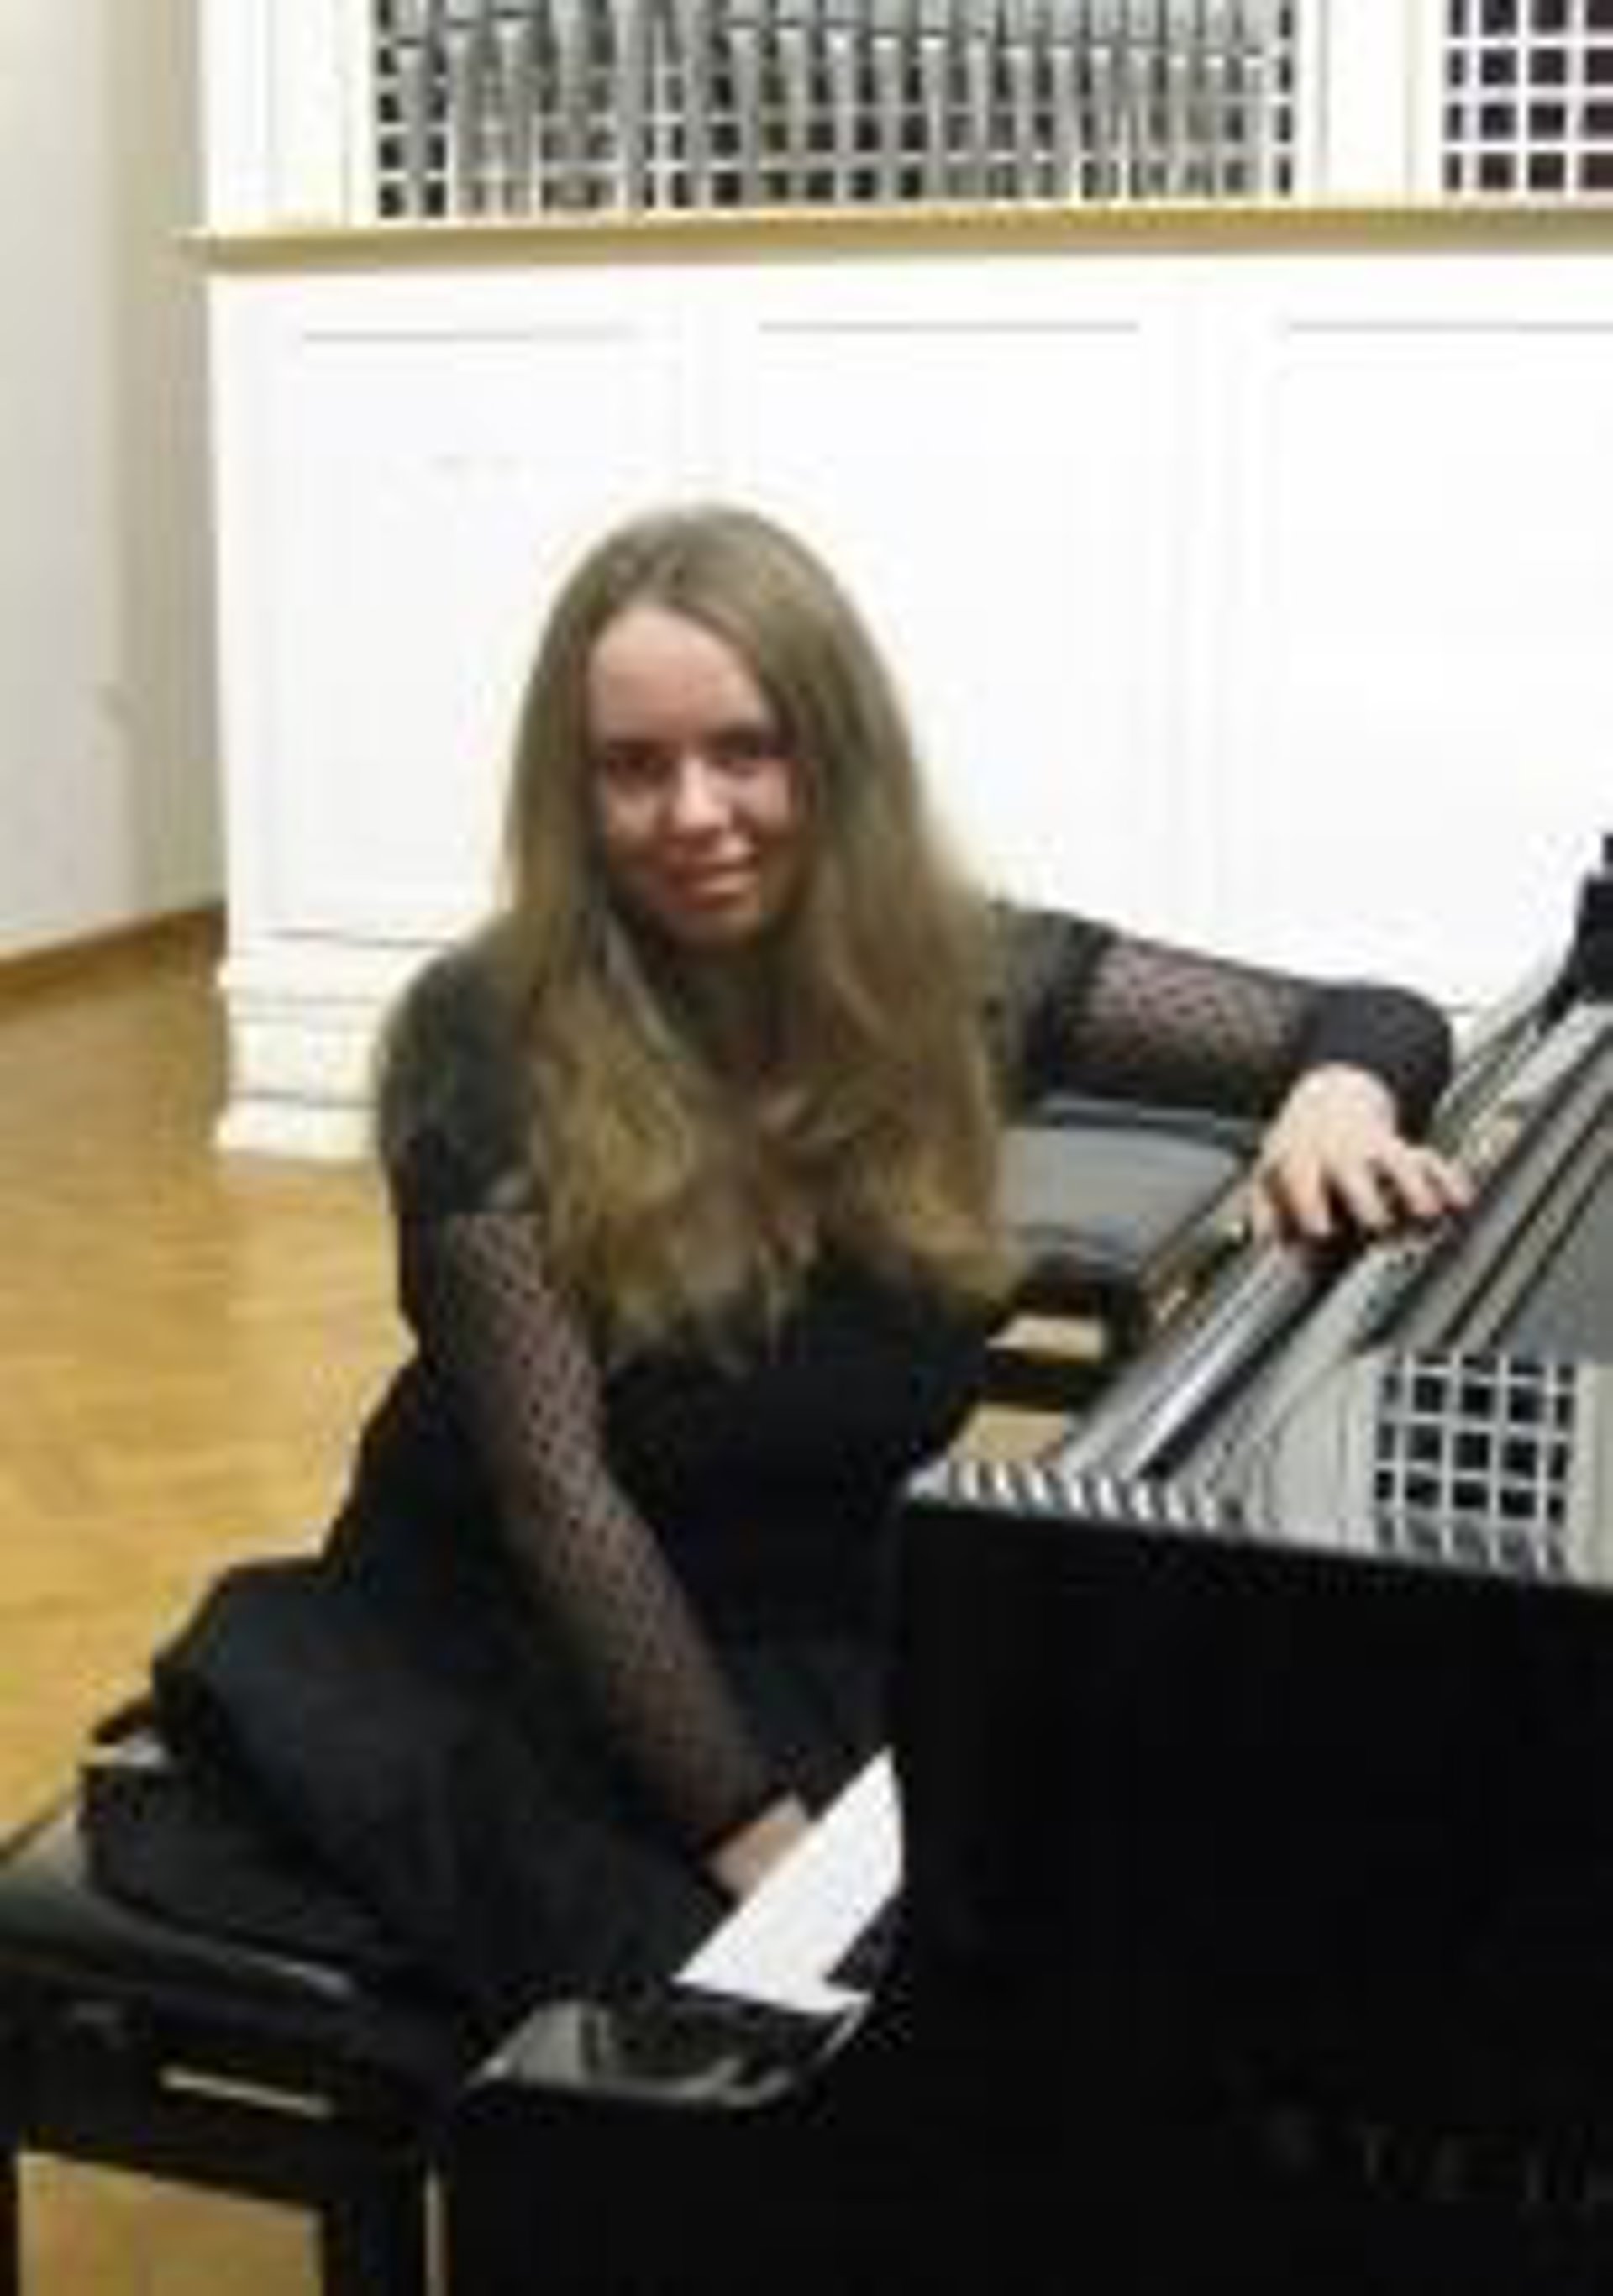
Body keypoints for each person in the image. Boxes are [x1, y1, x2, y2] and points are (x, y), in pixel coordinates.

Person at [97, 504, 1469, 2036]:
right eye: (634, 766)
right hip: (529, 1657)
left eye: (747, 750)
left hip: (820, 1607)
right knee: (787, 2028)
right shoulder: (484, 1038)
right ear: (572, 791)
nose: (697, 811)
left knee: (1128, 1895)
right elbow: (565, 1506)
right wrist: (758, 1846)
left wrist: (1336, 1096)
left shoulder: (966, 978)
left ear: (837, 754)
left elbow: (1378, 1014)